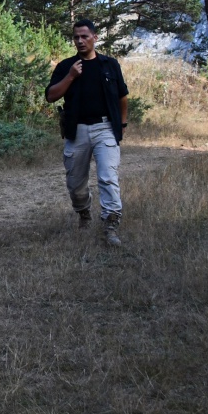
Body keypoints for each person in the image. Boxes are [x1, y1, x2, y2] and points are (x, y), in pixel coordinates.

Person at [45, 18, 130, 247]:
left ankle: (111, 224)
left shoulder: (109, 65)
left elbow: (122, 96)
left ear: (95, 37)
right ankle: (84, 213)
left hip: (105, 128)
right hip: (77, 130)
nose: (80, 41)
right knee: (75, 183)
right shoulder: (66, 66)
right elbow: (51, 96)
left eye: (84, 36)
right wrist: (71, 76)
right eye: (76, 37)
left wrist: (121, 124)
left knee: (108, 176)